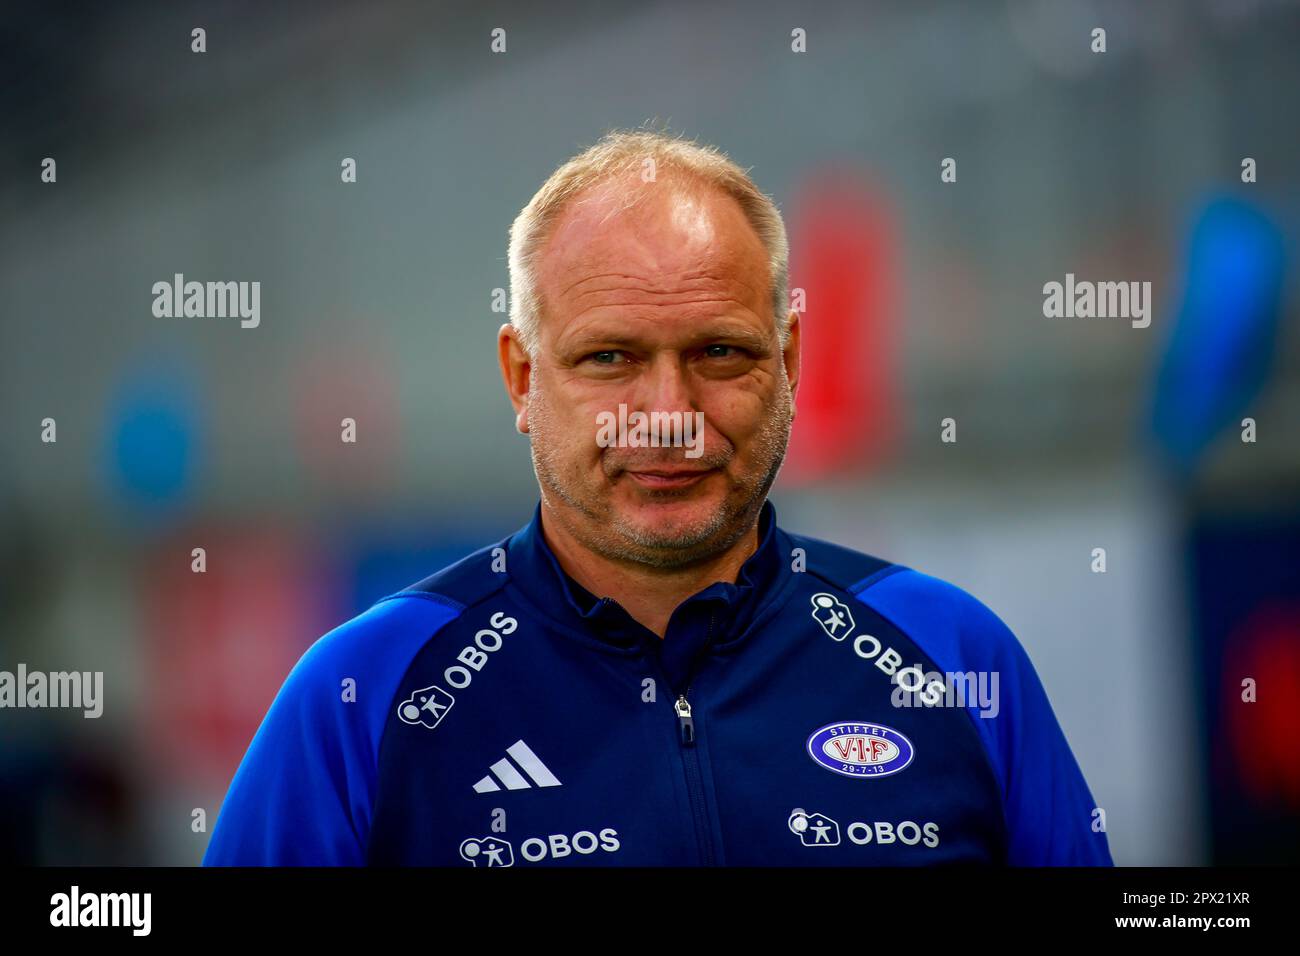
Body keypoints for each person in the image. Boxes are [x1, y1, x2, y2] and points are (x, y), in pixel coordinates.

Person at [203, 129, 1112, 866]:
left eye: (720, 353)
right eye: (611, 359)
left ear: (789, 362)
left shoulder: (955, 654)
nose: (669, 417)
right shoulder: (360, 694)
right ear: (522, 377)